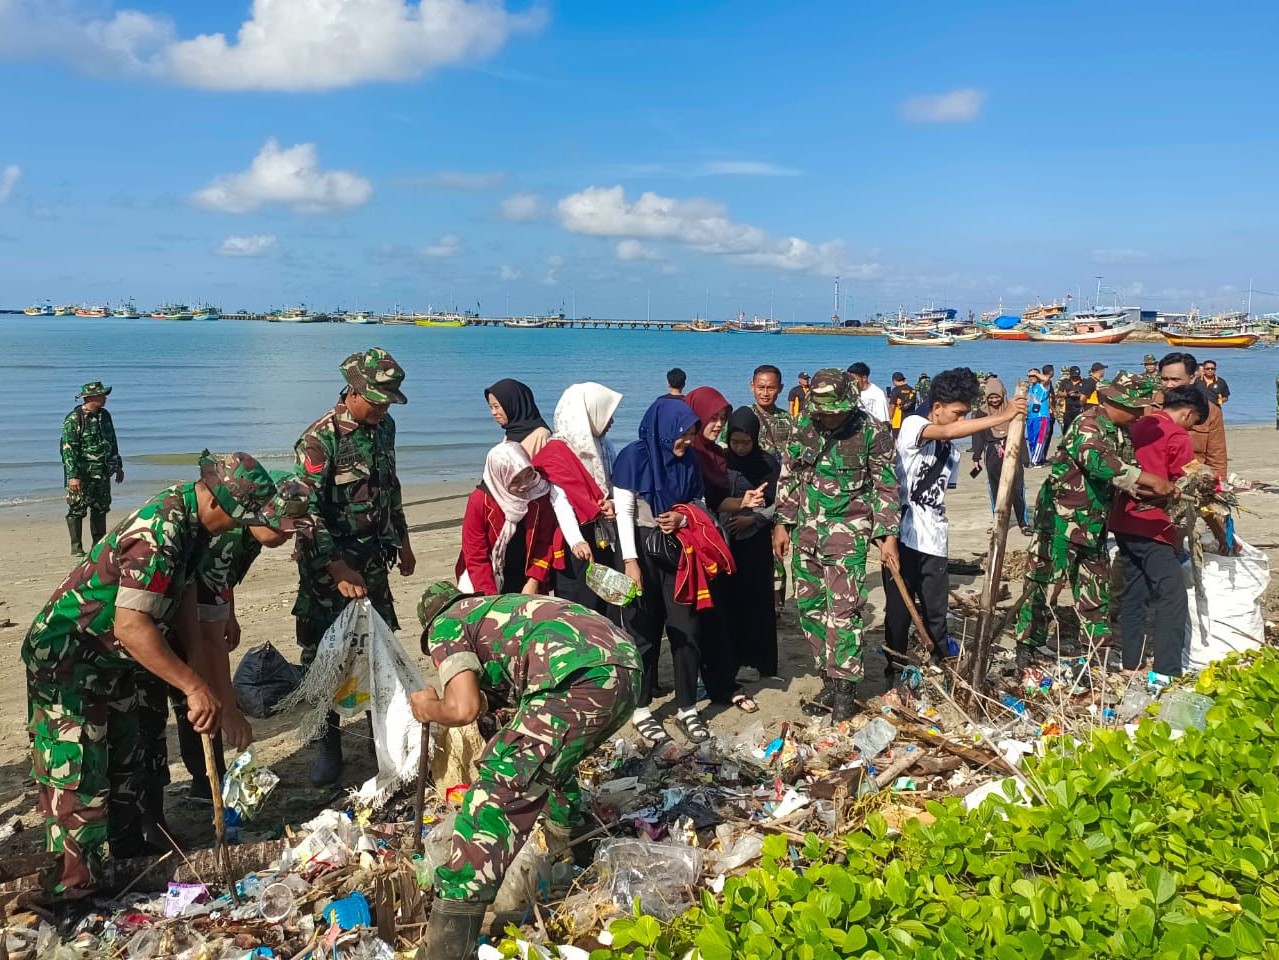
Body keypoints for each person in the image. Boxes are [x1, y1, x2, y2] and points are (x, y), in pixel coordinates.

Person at [23, 454, 276, 902]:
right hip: (70, 660)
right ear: (222, 506)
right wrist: (194, 686)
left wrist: (198, 678)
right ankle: (73, 889)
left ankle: (126, 862)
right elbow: (130, 626)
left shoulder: (196, 528)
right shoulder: (161, 531)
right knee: (80, 775)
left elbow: (185, 605)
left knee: (127, 763)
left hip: (114, 663)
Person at [413, 583, 641, 959]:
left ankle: (448, 941)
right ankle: (576, 848)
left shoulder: (447, 624)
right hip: (625, 670)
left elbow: (462, 708)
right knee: (547, 763)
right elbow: (498, 701)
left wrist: (427, 708)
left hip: (578, 678)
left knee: (498, 789)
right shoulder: (504, 612)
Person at [294, 348, 414, 787]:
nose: (383, 408)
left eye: (389, 401)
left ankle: (378, 736)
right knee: (325, 656)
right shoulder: (319, 440)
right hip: (329, 571)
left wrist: (402, 539)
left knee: (380, 649)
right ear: (354, 390)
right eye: (378, 400)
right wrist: (338, 568)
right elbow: (305, 513)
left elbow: (390, 485)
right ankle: (328, 745)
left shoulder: (385, 429)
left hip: (375, 562)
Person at [173, 467, 312, 804]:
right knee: (194, 694)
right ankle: (206, 782)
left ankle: (210, 780)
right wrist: (232, 711)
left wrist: (229, 612)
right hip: (168, 615)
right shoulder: (227, 537)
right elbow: (207, 638)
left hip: (194, 601)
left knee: (203, 689)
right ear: (259, 514)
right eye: (281, 525)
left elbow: (222, 580)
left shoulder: (250, 533)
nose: (286, 535)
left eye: (293, 528)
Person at [1015, 373, 1173, 665]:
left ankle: (1098, 647)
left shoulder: (1120, 431)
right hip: (1062, 518)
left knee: (1095, 582)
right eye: (1137, 408)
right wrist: (1145, 479)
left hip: (1094, 519)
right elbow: (1099, 462)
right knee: (1043, 579)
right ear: (1117, 401)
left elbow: (1127, 471)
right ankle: (1029, 644)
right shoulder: (1087, 425)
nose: (1140, 414)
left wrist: (1156, 492)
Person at [773, 368, 900, 722]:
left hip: (849, 531)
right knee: (811, 609)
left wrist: (888, 537)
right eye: (823, 410)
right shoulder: (805, 426)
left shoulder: (873, 431)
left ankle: (845, 691)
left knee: (844, 613)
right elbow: (789, 474)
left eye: (835, 410)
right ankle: (827, 677)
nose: (828, 416)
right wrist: (782, 523)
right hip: (806, 530)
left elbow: (886, 487)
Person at [886, 369, 1026, 684]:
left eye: (965, 413)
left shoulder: (952, 451)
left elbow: (942, 487)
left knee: (936, 612)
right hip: (902, 535)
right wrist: (1001, 415)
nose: (960, 420)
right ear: (937, 407)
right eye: (957, 413)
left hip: (934, 537)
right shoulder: (913, 425)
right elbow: (948, 432)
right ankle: (893, 673)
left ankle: (940, 667)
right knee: (897, 613)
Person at [611, 396, 706, 744]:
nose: (688, 442)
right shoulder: (633, 457)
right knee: (642, 632)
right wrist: (631, 562)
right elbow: (624, 513)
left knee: (686, 628)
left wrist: (682, 516)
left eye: (692, 435)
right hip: (640, 552)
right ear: (666, 431)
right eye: (683, 435)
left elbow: (700, 502)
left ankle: (687, 708)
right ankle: (641, 708)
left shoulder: (690, 459)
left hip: (679, 551)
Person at [1108, 385, 1210, 677]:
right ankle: (1167, 669)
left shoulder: (1139, 425)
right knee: (1172, 595)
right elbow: (1188, 478)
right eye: (1193, 422)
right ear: (1188, 413)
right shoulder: (1177, 436)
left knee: (1134, 592)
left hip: (1124, 518)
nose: (1191, 428)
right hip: (1152, 522)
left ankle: (1131, 663)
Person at [684, 386, 760, 714]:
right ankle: (703, 686)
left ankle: (721, 683)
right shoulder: (688, 452)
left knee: (717, 617)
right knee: (696, 620)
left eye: (722, 418)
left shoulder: (713, 454)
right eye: (712, 418)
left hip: (714, 544)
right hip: (690, 547)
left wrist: (743, 503)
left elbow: (715, 502)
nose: (718, 424)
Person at [534, 382, 623, 612]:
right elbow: (559, 501)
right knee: (579, 605)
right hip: (575, 539)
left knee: (608, 603)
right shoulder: (556, 452)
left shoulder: (604, 446)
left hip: (604, 531)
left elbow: (615, 481)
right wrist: (575, 540)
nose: (611, 422)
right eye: (606, 415)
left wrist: (613, 502)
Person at [722, 408, 782, 683]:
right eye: (735, 442)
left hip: (755, 543)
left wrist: (753, 519)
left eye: (746, 442)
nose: (740, 448)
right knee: (729, 602)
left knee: (757, 601)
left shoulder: (767, 463)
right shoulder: (722, 461)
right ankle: (730, 659)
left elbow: (779, 503)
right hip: (725, 542)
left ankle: (761, 661)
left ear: (755, 439)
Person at [459, 442, 560, 595]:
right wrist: (490, 597)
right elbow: (475, 555)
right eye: (515, 480)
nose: (525, 485)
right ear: (499, 477)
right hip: (488, 576)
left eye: (528, 475)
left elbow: (544, 542)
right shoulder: (480, 501)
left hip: (527, 577)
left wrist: (533, 581)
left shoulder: (538, 494)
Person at [746, 364, 794, 611]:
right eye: (761, 387)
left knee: (779, 551)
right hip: (754, 495)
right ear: (751, 386)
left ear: (780, 389)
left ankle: (776, 606)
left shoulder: (788, 420)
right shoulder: (744, 418)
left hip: (783, 495)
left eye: (771, 388)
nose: (765, 393)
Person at [61, 380, 124, 556]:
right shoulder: (74, 419)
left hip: (102, 472)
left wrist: (118, 465)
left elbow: (112, 441)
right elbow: (68, 449)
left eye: (104, 395)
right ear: (90, 397)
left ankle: (98, 546)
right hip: (82, 474)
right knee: (77, 508)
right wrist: (73, 475)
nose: (105, 398)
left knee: (101, 507)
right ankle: (76, 547)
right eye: (102, 395)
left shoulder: (105, 416)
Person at [970, 378, 1031, 534]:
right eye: (991, 397)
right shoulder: (981, 413)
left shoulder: (1011, 409)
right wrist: (976, 457)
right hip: (992, 453)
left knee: (1017, 489)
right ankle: (998, 522)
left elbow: (1020, 433)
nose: (995, 400)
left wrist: (1025, 457)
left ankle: (1023, 522)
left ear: (1003, 394)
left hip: (1012, 449)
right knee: (995, 488)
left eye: (997, 396)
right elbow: (977, 436)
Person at [1158, 352, 1228, 478]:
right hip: (1153, 482)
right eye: (1164, 379)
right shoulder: (1148, 406)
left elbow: (1217, 457)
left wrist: (1219, 486)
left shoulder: (1210, 411)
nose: (1169, 385)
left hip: (1191, 482)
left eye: (1175, 380)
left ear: (1192, 378)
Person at [485, 379, 551, 457]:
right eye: (491, 407)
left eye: (496, 406)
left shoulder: (541, 435)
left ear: (513, 404)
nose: (493, 412)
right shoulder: (512, 433)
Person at [1025, 368, 1053, 465]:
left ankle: (1036, 461)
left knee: (1039, 439)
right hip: (1031, 417)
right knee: (1031, 440)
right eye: (1029, 376)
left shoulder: (1043, 385)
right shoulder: (1030, 388)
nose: (1031, 378)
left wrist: (1036, 374)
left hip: (1042, 416)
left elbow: (1046, 379)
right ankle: (1035, 458)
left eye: (1034, 376)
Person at [887, 372, 917, 437]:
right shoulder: (912, 390)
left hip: (898, 420)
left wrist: (889, 418)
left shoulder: (895, 390)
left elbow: (892, 406)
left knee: (897, 439)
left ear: (894, 380)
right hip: (911, 419)